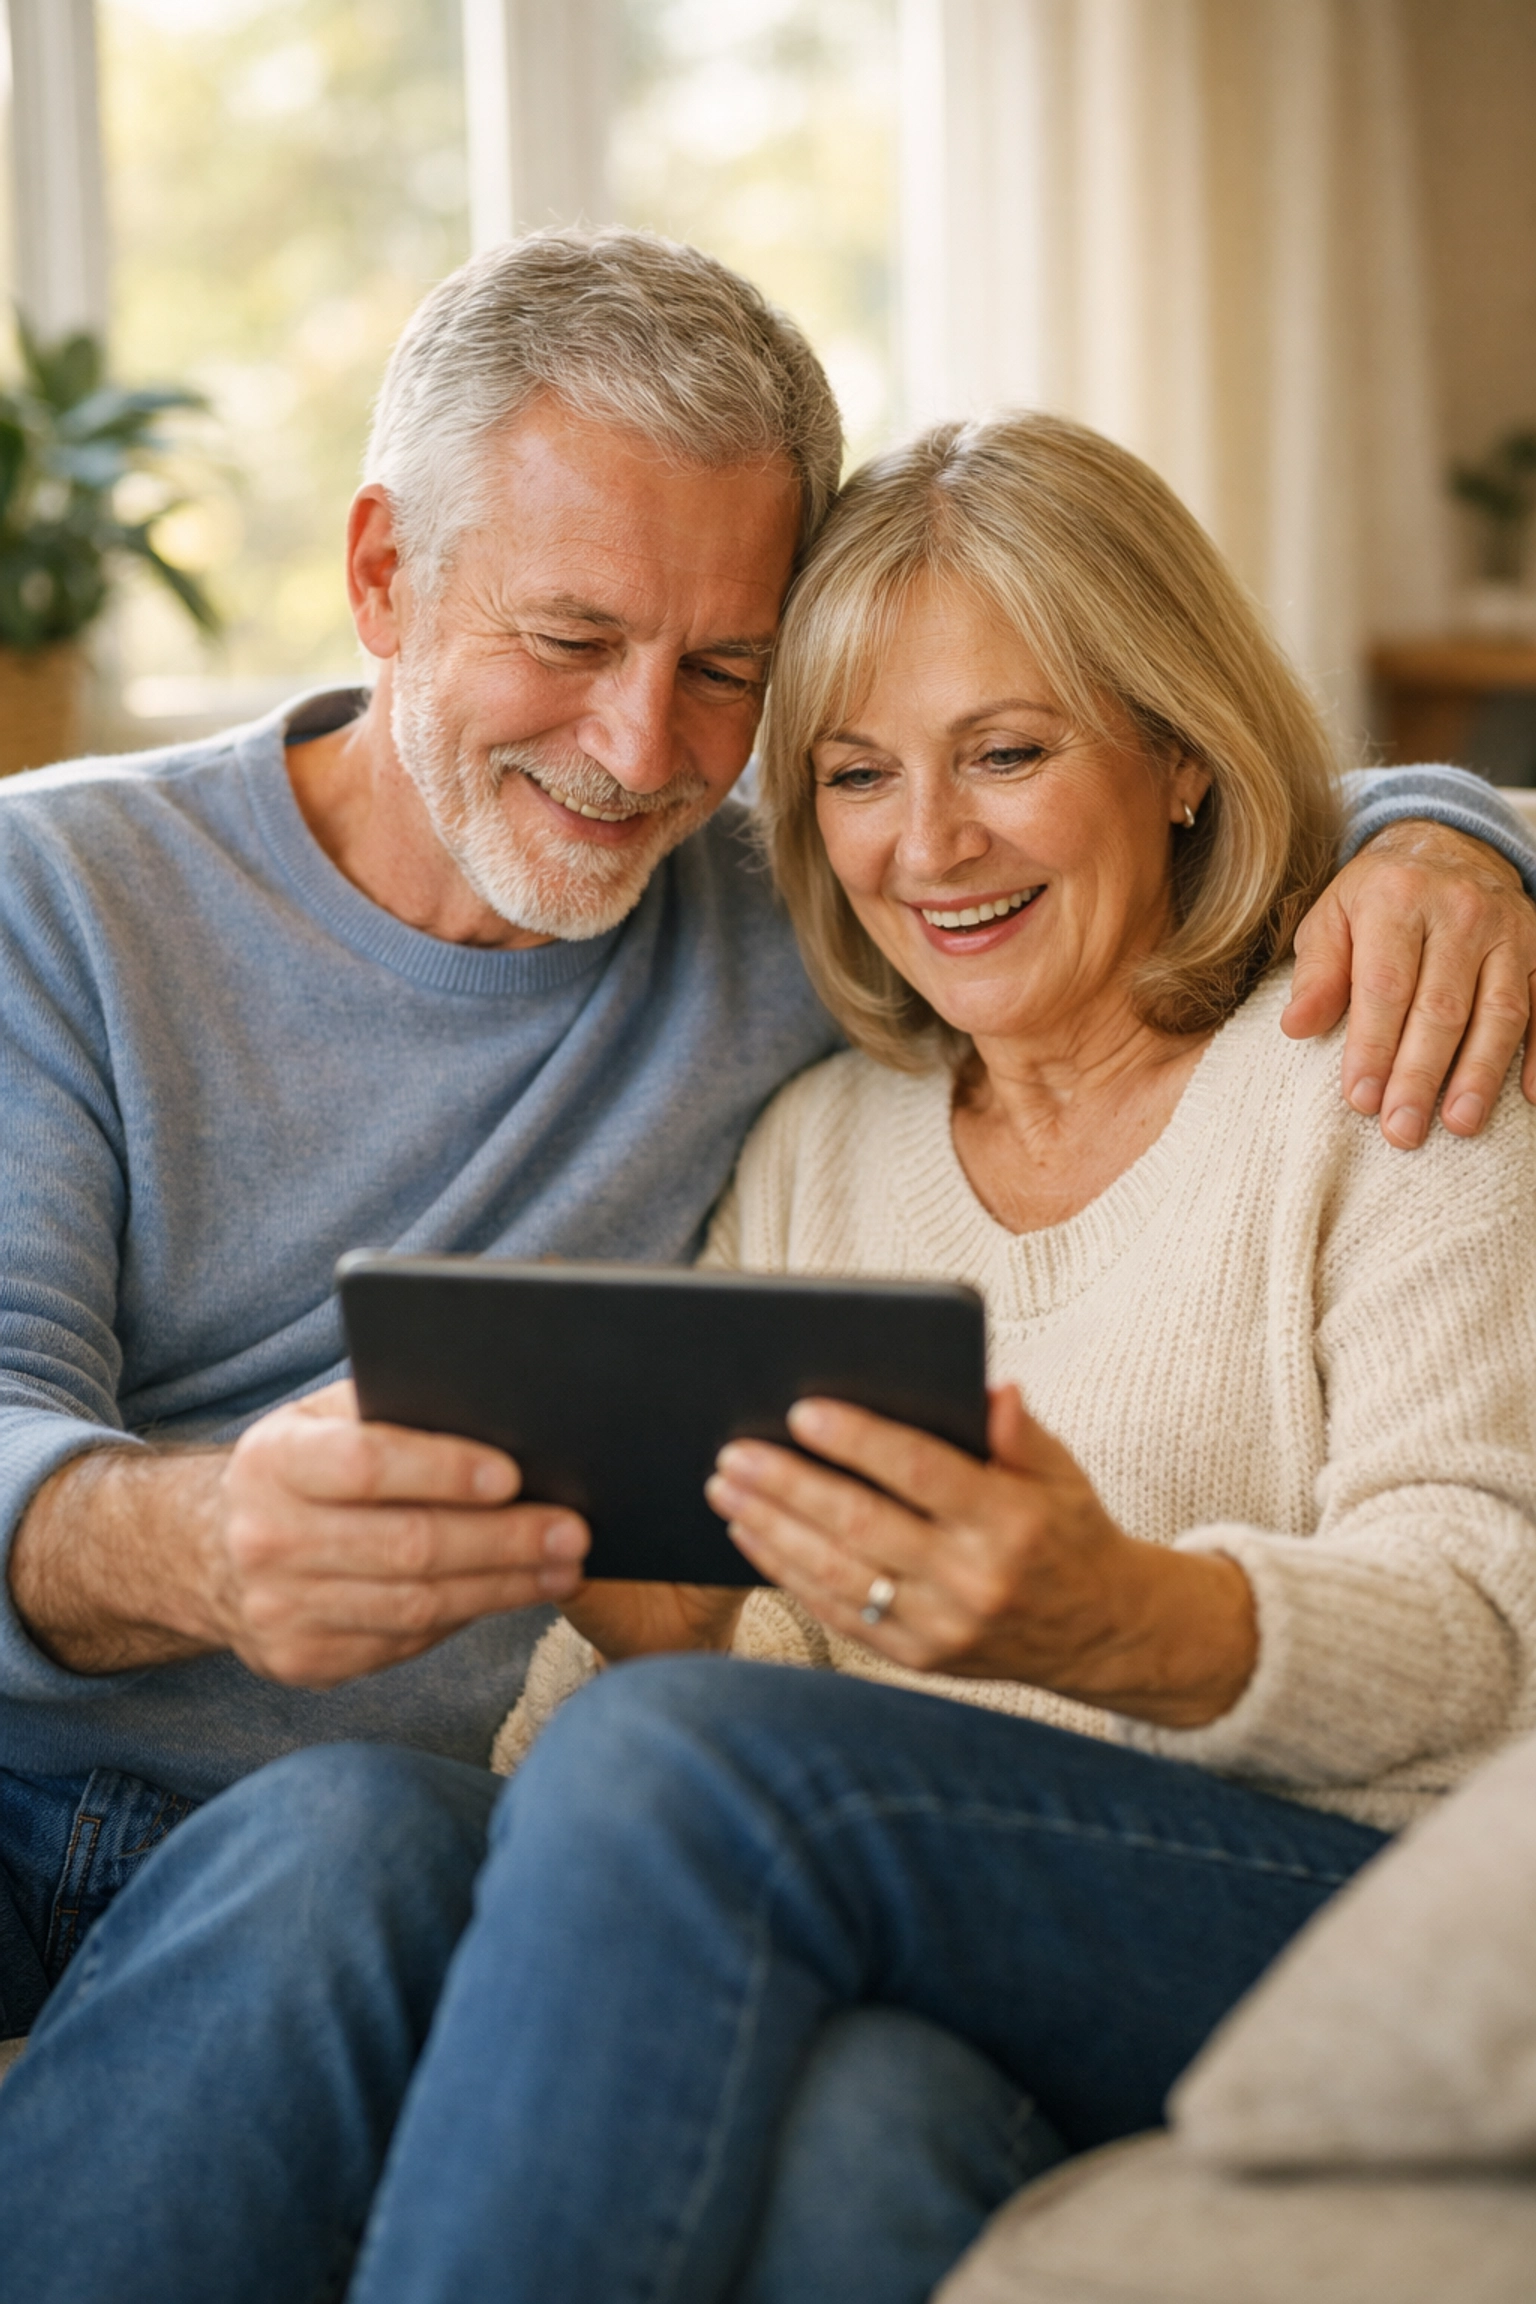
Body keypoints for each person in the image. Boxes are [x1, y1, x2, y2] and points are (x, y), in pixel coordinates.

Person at [0, 230, 1533, 2301]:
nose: (642, 751)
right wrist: (219, 1550)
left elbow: (1230, 787)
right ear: (382, 578)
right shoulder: (75, 902)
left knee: (436, 1820)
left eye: (728, 672)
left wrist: (1456, 833)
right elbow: (641, 1713)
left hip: (1212, 1873)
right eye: (569, 636)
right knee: (851, 2125)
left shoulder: (1299, 1032)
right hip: (91, 1798)